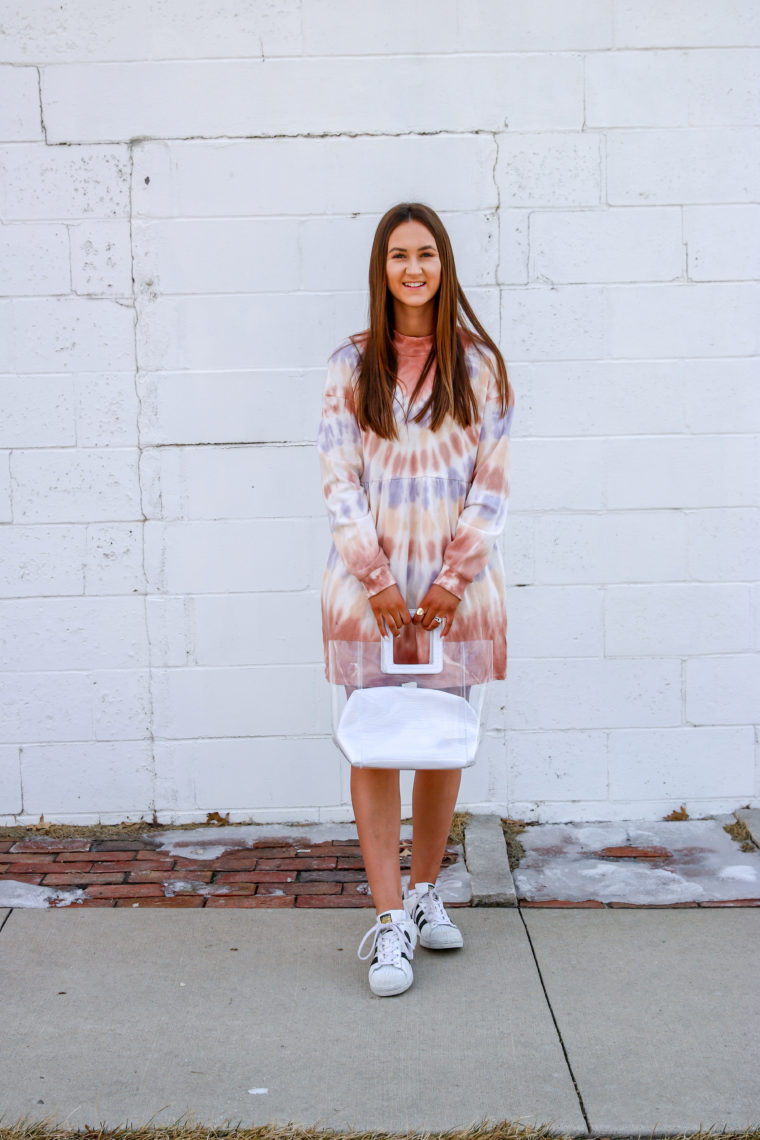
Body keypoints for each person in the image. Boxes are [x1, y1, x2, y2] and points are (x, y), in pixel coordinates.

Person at [317, 202, 514, 997]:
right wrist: (378, 582)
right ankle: (390, 916)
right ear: (381, 268)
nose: (412, 268)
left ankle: (427, 890)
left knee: (438, 740)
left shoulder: (480, 366)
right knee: (373, 746)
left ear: (444, 264)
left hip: (453, 600)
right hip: (367, 601)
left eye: (425, 253)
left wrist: (445, 583)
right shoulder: (348, 364)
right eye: (398, 254)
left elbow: (490, 491)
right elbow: (339, 485)